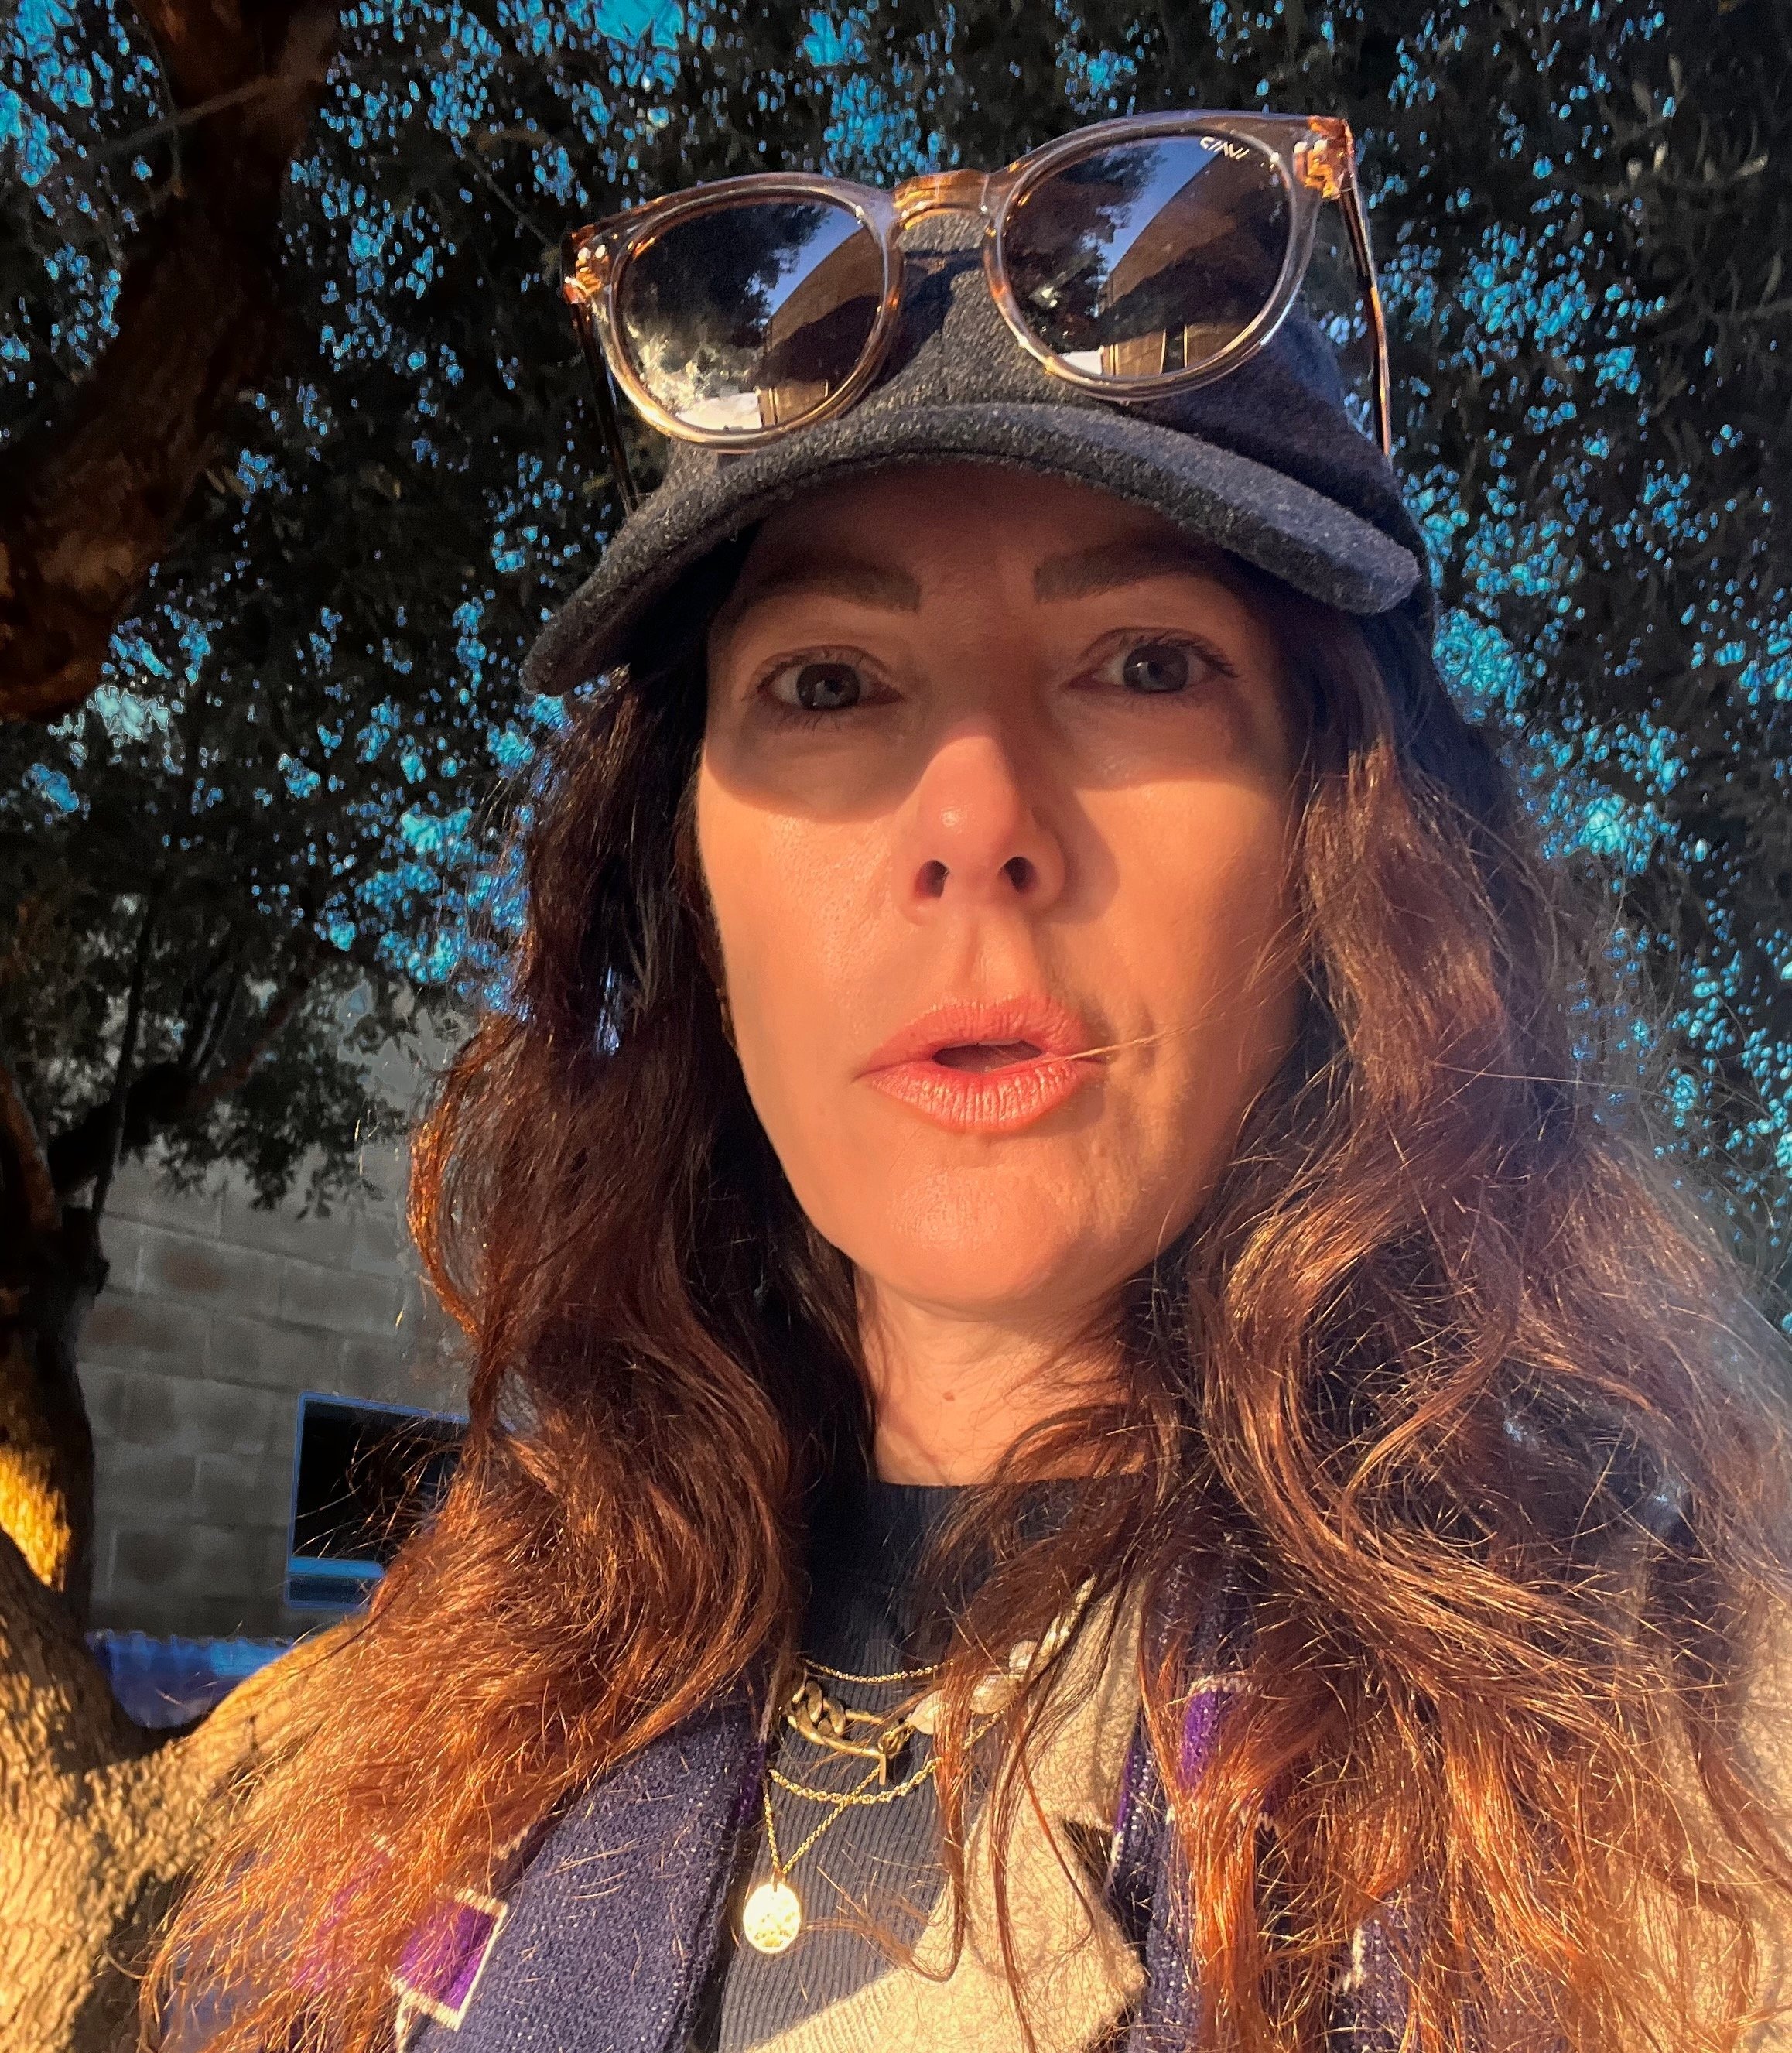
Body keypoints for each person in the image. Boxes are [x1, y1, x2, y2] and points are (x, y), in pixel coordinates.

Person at [152, 113, 1792, 2053]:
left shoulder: (1682, 1758)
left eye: (1146, 664)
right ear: (689, 876)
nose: (979, 818)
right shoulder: (406, 1739)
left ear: (1338, 837)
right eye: (830, 683)